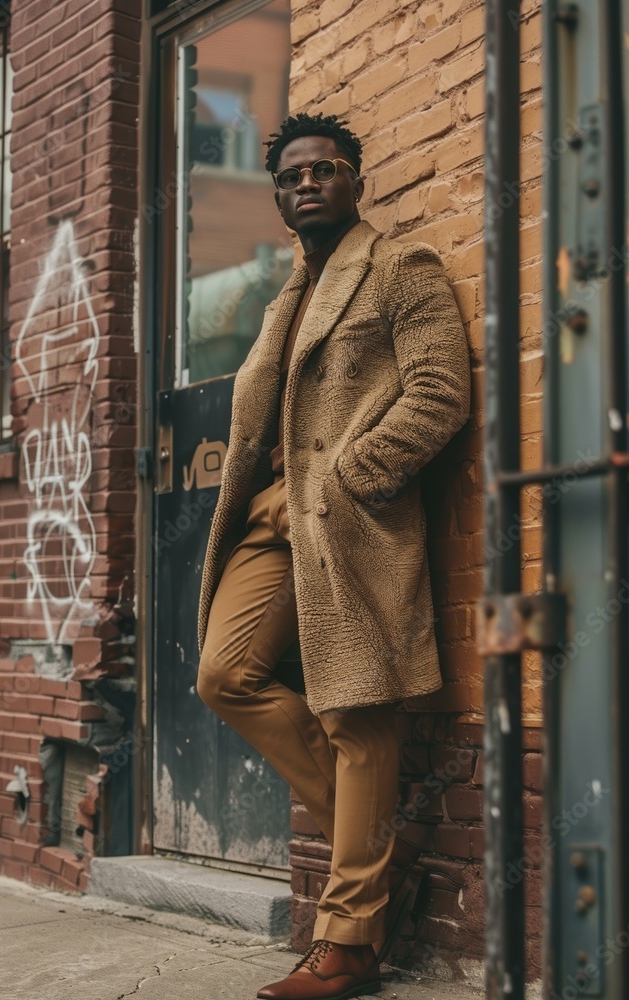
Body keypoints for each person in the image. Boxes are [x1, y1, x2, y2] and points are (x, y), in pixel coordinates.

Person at [196, 112, 471, 1000]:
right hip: (270, 517)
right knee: (224, 674)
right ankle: (384, 856)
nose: (306, 184)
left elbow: (439, 392)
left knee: (357, 713)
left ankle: (347, 944)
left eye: (323, 169)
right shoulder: (284, 298)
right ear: (277, 199)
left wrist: (353, 477)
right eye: (289, 178)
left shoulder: (399, 267)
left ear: (353, 179)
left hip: (347, 518)